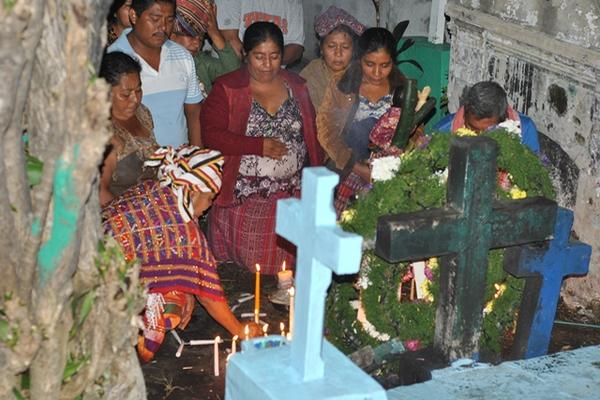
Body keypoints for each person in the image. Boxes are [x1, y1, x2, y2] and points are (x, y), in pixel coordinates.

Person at [102, 146, 261, 362]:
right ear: (193, 192)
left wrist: (186, 289)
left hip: (95, 263)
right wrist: (239, 330)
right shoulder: (182, 227)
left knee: (178, 298)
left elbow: (174, 258)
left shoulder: (158, 191)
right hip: (102, 286)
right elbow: (208, 293)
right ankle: (137, 331)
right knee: (169, 313)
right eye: (209, 197)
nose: (209, 205)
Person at [200, 22, 323, 275]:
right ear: (245, 54)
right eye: (259, 56)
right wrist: (258, 146)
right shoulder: (228, 88)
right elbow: (211, 135)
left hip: (292, 189)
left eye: (274, 56)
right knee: (259, 267)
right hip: (248, 193)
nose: (267, 65)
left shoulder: (297, 86)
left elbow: (311, 134)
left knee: (296, 263)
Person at [316, 27, 405, 212]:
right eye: (370, 64)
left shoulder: (403, 87)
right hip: (348, 162)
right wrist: (356, 167)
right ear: (359, 58)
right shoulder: (343, 83)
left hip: (388, 163)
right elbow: (326, 128)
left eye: (385, 65)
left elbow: (412, 129)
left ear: (393, 62)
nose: (377, 73)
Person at [107, 0, 203, 147]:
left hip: (180, 162)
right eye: (155, 19)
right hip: (135, 164)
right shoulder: (113, 58)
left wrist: (196, 154)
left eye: (169, 20)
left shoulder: (182, 56)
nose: (163, 27)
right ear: (133, 16)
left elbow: (194, 112)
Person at [98, 51, 159, 206]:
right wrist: (130, 220)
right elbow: (99, 192)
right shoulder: (103, 132)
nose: (135, 99)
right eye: (125, 94)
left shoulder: (142, 114)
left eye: (138, 90)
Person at [434, 81, 541, 153]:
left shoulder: (525, 129)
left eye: (489, 130)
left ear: (504, 120)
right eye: (472, 128)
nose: (480, 137)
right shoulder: (443, 132)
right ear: (464, 115)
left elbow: (534, 178)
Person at [300, 5, 365, 109]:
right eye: (331, 46)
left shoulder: (361, 72)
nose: (338, 53)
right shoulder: (311, 75)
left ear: (353, 50)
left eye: (345, 47)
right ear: (321, 48)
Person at [169, 0, 240, 95]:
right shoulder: (162, 65)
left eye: (201, 39)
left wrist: (215, 34)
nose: (197, 44)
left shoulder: (200, 61)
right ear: (172, 35)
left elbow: (234, 72)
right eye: (191, 36)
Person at [215, 0, 304, 66]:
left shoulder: (292, 3)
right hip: (231, 70)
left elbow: (296, 47)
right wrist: (262, 63)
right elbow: (230, 40)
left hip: (274, 76)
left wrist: (269, 64)